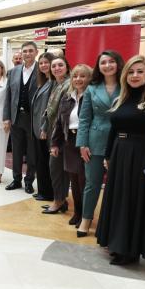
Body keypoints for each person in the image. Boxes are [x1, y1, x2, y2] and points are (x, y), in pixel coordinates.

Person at [96, 55, 145, 264]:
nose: (134, 75)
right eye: (130, 72)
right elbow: (114, 129)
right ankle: (116, 243)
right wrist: (108, 155)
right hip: (119, 153)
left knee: (135, 200)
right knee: (119, 198)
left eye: (139, 71)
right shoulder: (121, 98)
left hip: (142, 155)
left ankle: (130, 251)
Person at [76, 50, 124, 237]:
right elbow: (84, 119)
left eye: (111, 61)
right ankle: (86, 219)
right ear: (98, 66)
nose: (107, 65)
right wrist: (82, 144)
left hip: (120, 141)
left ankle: (111, 221)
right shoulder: (92, 88)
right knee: (92, 183)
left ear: (118, 64)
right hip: (94, 142)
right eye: (103, 62)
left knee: (117, 185)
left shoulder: (126, 85)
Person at [51, 64, 92, 227]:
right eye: (75, 76)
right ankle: (77, 212)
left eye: (82, 76)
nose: (78, 79)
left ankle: (85, 215)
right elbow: (59, 123)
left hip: (85, 143)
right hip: (70, 142)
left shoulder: (91, 97)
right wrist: (55, 143)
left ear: (89, 78)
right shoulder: (67, 97)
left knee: (83, 181)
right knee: (74, 181)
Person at [3, 41, 39, 193]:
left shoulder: (42, 70)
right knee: (16, 151)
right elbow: (8, 96)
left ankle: (29, 180)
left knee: (32, 152)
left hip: (33, 119)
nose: (27, 54)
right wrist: (6, 117)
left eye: (30, 51)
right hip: (16, 117)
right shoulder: (13, 72)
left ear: (36, 52)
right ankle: (16, 179)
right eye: (25, 51)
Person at [41, 55, 72, 215]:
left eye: (60, 65)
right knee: (59, 168)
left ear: (67, 67)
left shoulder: (68, 85)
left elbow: (63, 113)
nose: (56, 68)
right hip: (54, 131)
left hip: (61, 134)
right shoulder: (57, 84)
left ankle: (58, 201)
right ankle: (61, 200)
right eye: (54, 66)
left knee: (56, 168)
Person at [30, 53, 55, 201]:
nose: (44, 65)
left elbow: (50, 109)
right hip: (37, 127)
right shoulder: (44, 82)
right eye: (41, 63)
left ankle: (47, 193)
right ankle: (42, 190)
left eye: (47, 62)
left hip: (45, 129)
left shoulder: (54, 83)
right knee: (41, 161)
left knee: (45, 161)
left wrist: (44, 127)